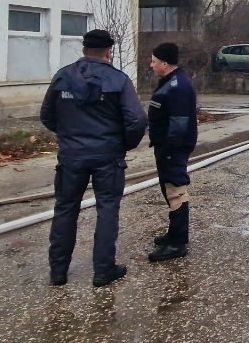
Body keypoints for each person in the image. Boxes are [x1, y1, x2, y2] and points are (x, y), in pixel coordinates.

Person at [41, 29, 147, 287]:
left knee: (65, 209)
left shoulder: (62, 76)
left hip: (71, 156)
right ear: (109, 51)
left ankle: (58, 272)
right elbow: (138, 120)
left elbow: (47, 115)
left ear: (83, 49)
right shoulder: (118, 80)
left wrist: (69, 135)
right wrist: (123, 144)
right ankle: (103, 270)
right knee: (107, 209)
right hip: (107, 156)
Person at [146, 43, 198, 262]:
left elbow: (178, 123)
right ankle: (174, 233)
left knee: (176, 190)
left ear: (165, 63)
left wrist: (169, 150)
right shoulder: (170, 82)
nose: (151, 65)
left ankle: (178, 243)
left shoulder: (177, 87)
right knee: (170, 190)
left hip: (172, 148)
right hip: (167, 147)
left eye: (154, 61)